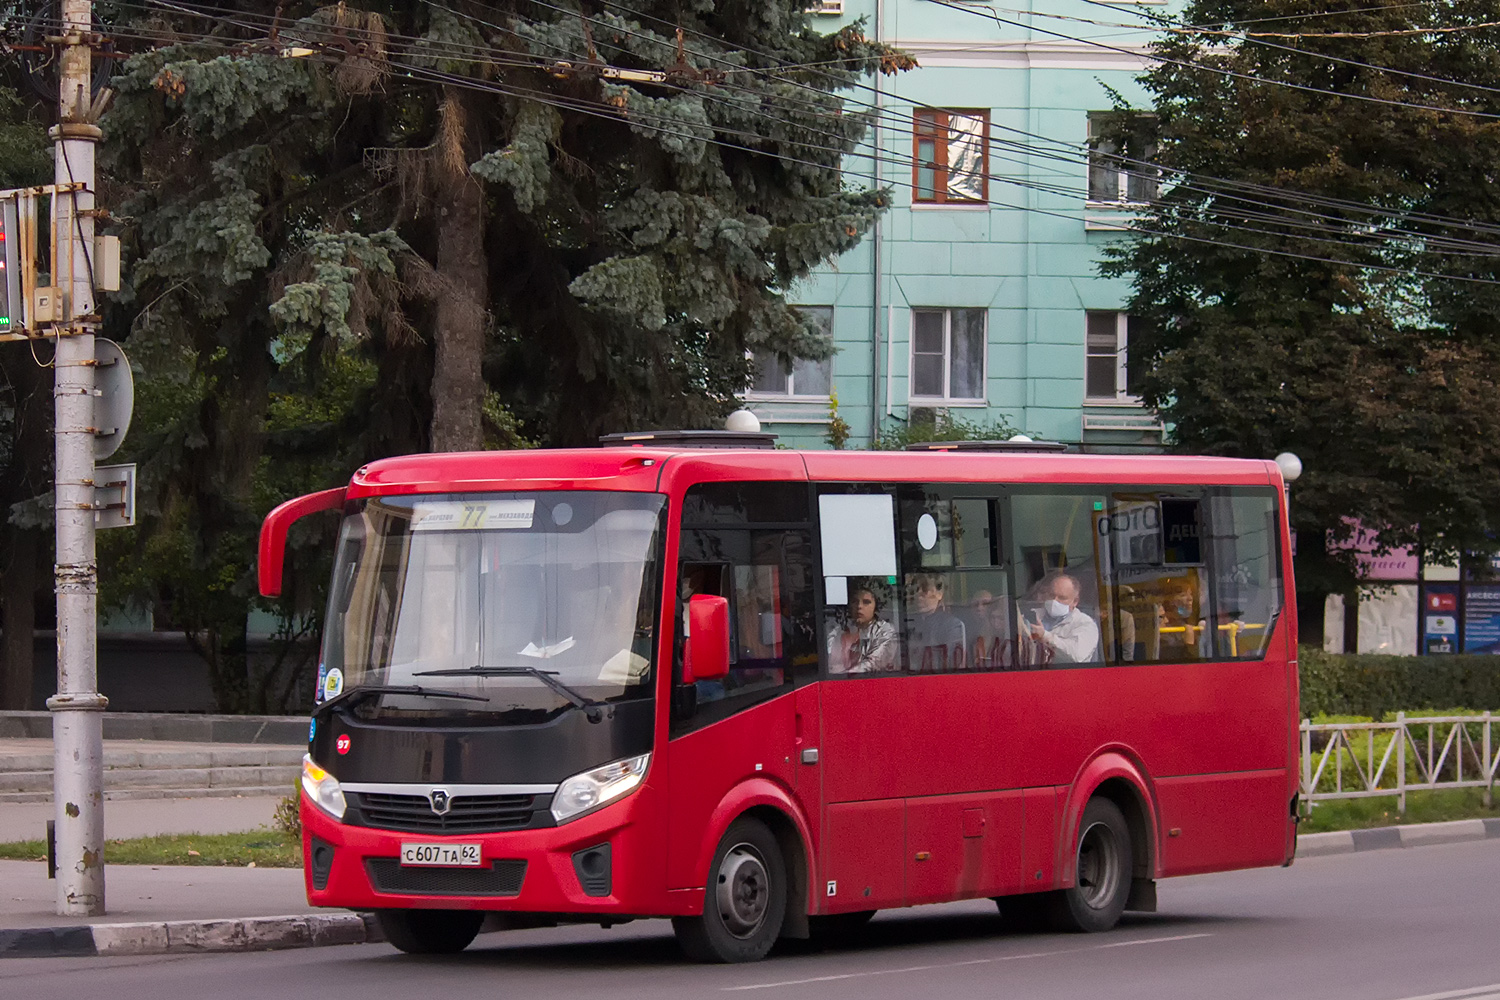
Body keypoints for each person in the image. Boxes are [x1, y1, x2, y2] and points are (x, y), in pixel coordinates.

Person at [1026, 572, 1100, 664]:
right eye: (1051, 595)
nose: (1054, 601)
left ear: (1075, 601)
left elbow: (1076, 656)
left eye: (1062, 598)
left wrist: (1045, 636)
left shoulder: (1085, 624)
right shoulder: (1032, 614)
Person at [827, 582, 898, 673]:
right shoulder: (839, 630)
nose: (859, 606)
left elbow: (874, 663)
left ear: (875, 607)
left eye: (866, 602)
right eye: (854, 602)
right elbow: (828, 657)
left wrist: (844, 676)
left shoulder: (885, 630)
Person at [904, 572, 966, 672]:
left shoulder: (952, 625)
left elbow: (949, 661)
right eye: (915, 590)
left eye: (925, 589)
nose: (918, 595)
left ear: (939, 594)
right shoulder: (910, 623)